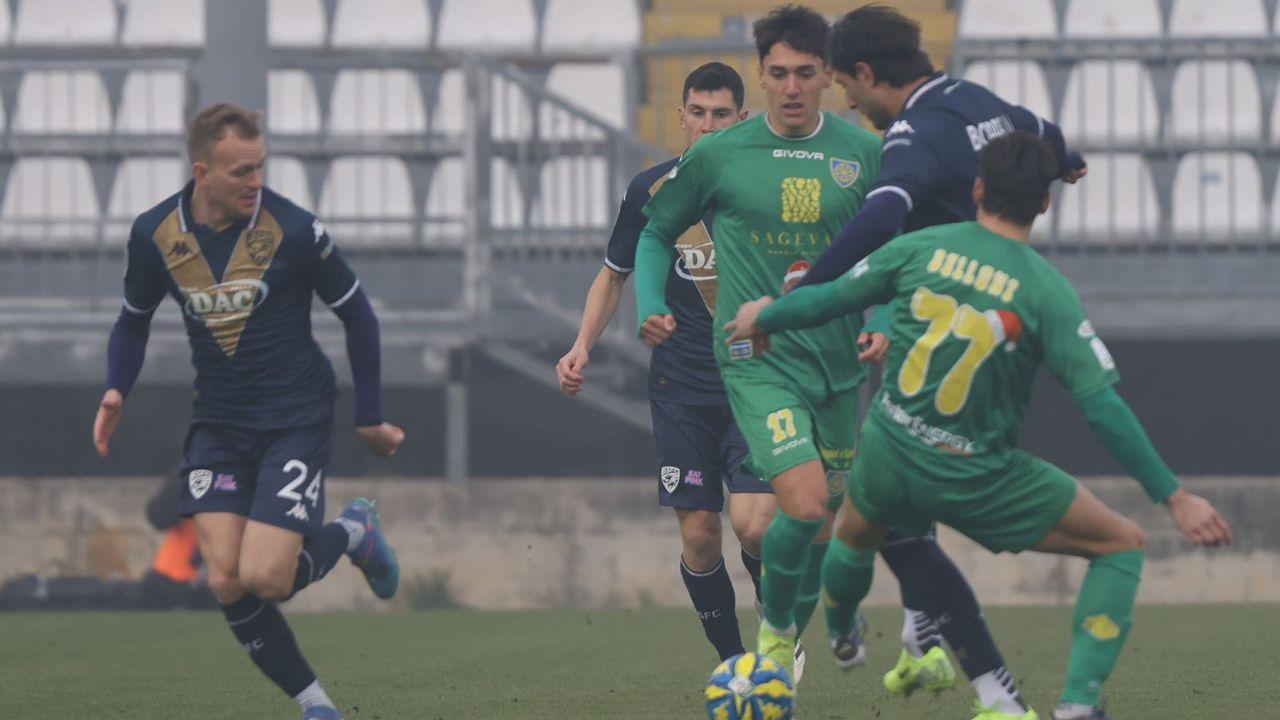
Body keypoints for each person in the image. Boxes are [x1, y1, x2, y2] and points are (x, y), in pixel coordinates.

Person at [724, 130, 1233, 720]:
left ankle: (842, 634)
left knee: (857, 532)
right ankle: (1077, 706)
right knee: (1121, 544)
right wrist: (1174, 497)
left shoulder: (923, 247)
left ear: (977, 189)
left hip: (890, 450)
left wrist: (768, 314)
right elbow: (1102, 407)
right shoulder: (1047, 291)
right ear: (1044, 204)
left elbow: (830, 297)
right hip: (975, 476)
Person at [634, 5, 999, 687]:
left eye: (807, 72)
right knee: (800, 504)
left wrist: (886, 317)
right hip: (755, 362)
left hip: (835, 367)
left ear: (829, 77)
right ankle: (774, 646)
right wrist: (650, 303)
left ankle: (803, 631)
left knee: (827, 531)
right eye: (779, 73)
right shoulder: (719, 154)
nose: (793, 86)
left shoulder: (865, 153)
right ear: (761, 76)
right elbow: (656, 233)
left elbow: (899, 250)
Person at [788, 4, 1090, 702]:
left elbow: (885, 212)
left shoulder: (913, 132)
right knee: (899, 512)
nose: (844, 99)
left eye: (840, 83)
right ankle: (921, 640)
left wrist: (815, 281)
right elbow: (1045, 132)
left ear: (865, 72)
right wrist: (1066, 162)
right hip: (982, 327)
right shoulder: (974, 98)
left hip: (943, 336)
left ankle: (996, 691)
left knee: (888, 516)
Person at [92, 103, 406, 720]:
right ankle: (317, 707)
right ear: (201, 171)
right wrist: (115, 390)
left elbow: (357, 313)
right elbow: (133, 323)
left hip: (296, 415)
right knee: (224, 579)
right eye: (241, 172)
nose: (255, 182)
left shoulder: (294, 231)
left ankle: (352, 531)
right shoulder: (155, 234)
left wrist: (369, 414)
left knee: (267, 578)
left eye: (260, 167)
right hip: (218, 423)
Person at [557, 62, 787, 668]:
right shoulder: (652, 191)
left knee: (756, 525)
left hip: (753, 384)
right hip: (680, 389)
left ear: (742, 119)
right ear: (681, 117)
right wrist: (582, 345)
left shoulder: (770, 189)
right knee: (699, 535)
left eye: (721, 114)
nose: (707, 125)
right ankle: (735, 665)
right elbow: (614, 275)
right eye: (697, 113)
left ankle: (776, 628)